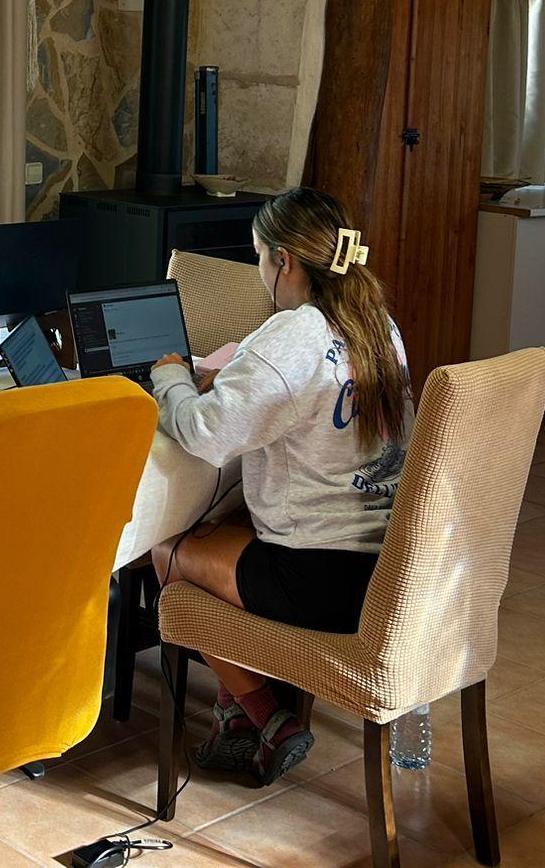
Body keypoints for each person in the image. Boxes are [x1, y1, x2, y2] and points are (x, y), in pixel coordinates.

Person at [143, 186, 413, 786]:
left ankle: (267, 718)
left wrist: (169, 379)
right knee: (226, 525)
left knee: (166, 551)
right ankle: (235, 715)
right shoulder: (378, 327)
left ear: (284, 262)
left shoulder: (294, 334)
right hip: (386, 566)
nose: (260, 268)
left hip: (317, 576)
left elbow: (204, 434)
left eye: (260, 256)